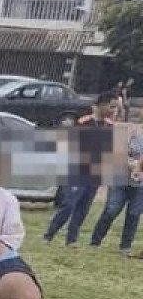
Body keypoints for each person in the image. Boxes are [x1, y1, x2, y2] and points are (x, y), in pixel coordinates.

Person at [44, 99, 114, 245]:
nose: (113, 110)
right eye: (111, 106)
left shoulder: (110, 125)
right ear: (101, 105)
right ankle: (50, 234)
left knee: (84, 207)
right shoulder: (84, 122)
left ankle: (71, 239)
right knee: (69, 204)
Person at [87, 105, 143, 253]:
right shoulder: (132, 131)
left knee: (134, 214)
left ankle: (125, 246)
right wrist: (130, 163)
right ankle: (95, 241)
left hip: (140, 185)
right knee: (111, 211)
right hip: (121, 179)